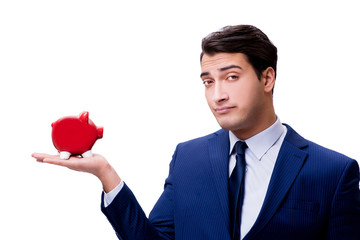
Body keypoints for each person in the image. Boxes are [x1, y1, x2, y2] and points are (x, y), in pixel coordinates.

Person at [32, 25, 360, 240]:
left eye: (231, 77)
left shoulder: (333, 172)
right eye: (207, 81)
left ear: (267, 78)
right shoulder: (188, 158)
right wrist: (106, 174)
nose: (217, 94)